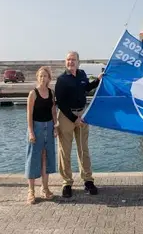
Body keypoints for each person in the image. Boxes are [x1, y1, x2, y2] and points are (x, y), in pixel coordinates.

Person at [55, 51, 102, 198]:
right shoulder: (61, 80)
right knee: (65, 151)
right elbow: (60, 103)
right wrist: (73, 118)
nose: (71, 62)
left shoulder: (82, 74)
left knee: (84, 150)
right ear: (65, 62)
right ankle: (67, 183)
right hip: (66, 117)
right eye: (68, 60)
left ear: (78, 61)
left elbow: (86, 88)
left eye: (73, 59)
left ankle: (88, 180)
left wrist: (98, 81)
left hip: (82, 115)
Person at [24, 66, 58, 204]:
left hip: (49, 126)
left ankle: (45, 188)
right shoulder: (33, 93)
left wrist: (55, 127)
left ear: (49, 78)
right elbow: (29, 114)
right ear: (37, 77)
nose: (43, 78)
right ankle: (31, 191)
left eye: (46, 76)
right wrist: (31, 131)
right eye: (41, 76)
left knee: (46, 158)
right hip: (36, 127)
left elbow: (53, 111)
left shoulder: (51, 92)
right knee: (33, 158)